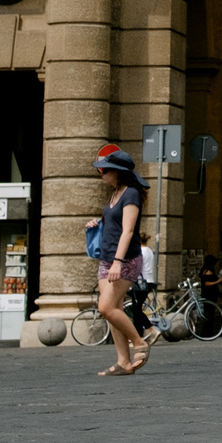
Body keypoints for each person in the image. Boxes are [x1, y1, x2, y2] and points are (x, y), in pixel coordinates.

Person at [91, 150, 151, 377]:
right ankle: (123, 362)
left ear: (118, 172)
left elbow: (127, 231)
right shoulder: (115, 193)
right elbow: (113, 224)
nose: (101, 174)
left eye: (105, 170)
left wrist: (117, 262)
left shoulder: (131, 194)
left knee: (105, 308)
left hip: (124, 260)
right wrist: (96, 223)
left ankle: (140, 342)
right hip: (106, 257)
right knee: (113, 310)